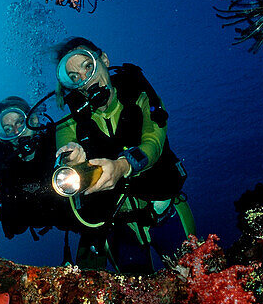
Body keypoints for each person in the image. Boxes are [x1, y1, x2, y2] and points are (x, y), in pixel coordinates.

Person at [52, 37, 194, 273]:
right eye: (74, 77)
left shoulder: (141, 95)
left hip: (164, 212)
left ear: (104, 60)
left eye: (88, 66)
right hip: (119, 228)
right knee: (138, 300)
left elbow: (153, 142)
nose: (85, 79)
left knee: (194, 278)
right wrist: (71, 161)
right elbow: (64, 154)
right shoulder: (67, 124)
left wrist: (122, 166)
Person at [0, 96, 72, 242]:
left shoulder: (56, 143)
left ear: (33, 120)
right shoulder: (1, 164)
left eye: (20, 122)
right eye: (8, 129)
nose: (17, 132)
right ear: (3, 135)